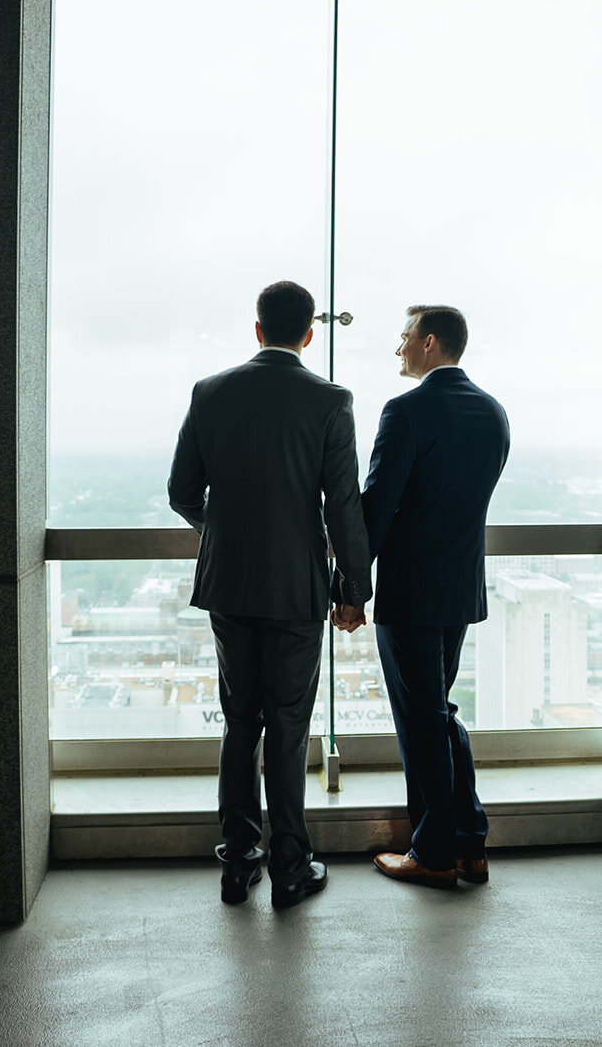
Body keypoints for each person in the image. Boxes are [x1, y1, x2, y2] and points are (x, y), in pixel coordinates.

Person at [167, 280, 373, 909]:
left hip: (229, 582)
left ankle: (237, 865)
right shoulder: (331, 401)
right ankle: (290, 867)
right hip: (297, 586)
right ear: (309, 333)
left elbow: (181, 492)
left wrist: (225, 532)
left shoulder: (210, 392)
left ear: (257, 329)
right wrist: (354, 590)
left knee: (240, 721)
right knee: (288, 724)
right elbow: (342, 507)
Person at [361, 304, 509, 889]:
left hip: (412, 591)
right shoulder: (493, 412)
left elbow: (376, 507)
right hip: (459, 588)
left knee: (421, 720)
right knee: (439, 712)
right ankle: (469, 843)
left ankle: (433, 853)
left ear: (427, 343)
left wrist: (349, 585)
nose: (397, 349)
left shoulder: (407, 410)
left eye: (402, 337)